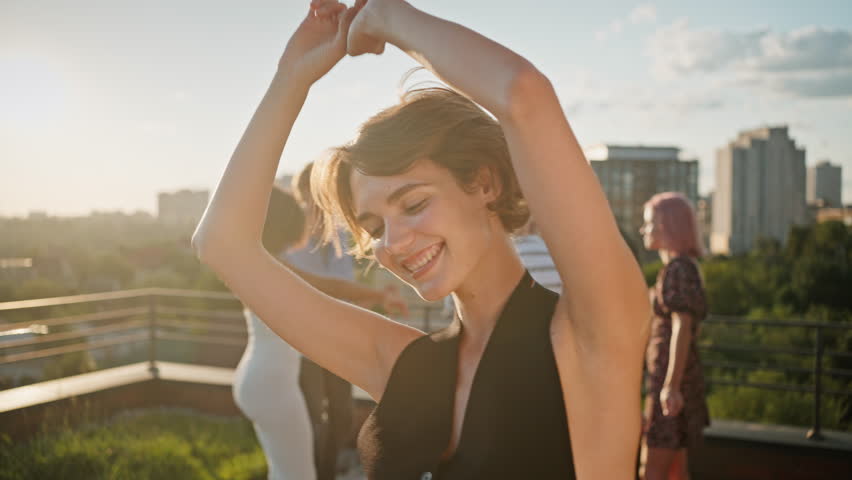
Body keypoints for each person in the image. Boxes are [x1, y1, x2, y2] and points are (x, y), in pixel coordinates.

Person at [193, 1, 650, 478]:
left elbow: (523, 95)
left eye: (413, 205)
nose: (393, 242)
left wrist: (388, 17)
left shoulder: (590, 335)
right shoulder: (405, 363)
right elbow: (221, 245)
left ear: (486, 183)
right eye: (373, 228)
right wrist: (291, 78)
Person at [232, 185, 407, 480]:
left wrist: (377, 298)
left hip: (256, 377)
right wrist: (380, 299)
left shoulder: (256, 263)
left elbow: (329, 288)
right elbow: (329, 289)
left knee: (284, 470)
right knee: (298, 474)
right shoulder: (271, 267)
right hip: (272, 385)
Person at [638, 192, 710, 480]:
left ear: (667, 226)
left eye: (649, 223)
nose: (644, 230)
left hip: (671, 387)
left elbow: (683, 326)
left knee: (651, 471)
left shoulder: (677, 269)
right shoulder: (684, 267)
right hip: (678, 384)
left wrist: (670, 386)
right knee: (676, 471)